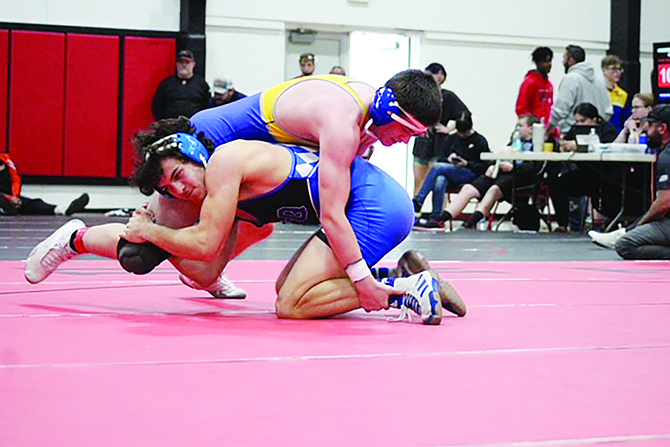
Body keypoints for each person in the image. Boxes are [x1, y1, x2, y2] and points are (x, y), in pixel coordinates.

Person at [25, 70, 444, 312]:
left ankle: (213, 270)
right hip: (205, 152)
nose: (405, 142)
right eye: (405, 131)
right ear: (389, 110)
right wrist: (357, 274)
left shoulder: (362, 121)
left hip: (253, 184)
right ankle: (75, 239)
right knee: (145, 254)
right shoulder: (341, 123)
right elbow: (333, 212)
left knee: (205, 264)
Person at [27, 132, 467, 323]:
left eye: (179, 174)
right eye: (168, 188)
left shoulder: (226, 163)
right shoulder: (232, 201)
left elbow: (202, 245)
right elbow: (202, 269)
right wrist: (159, 238)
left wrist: (149, 232)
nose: (179, 189)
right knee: (287, 288)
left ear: (196, 155)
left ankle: (410, 291)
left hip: (373, 204)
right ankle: (396, 276)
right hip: (361, 207)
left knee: (292, 306)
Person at [441, 114, 551, 229]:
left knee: (494, 189)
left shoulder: (539, 145)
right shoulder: (515, 141)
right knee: (469, 188)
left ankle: (472, 220)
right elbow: (504, 155)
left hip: (521, 177)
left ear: (531, 129)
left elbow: (536, 168)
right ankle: (443, 216)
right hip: (502, 172)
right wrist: (494, 165)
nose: (518, 129)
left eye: (521, 126)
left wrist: (513, 168)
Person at [588, 104, 670, 256]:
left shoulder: (667, 157)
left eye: (650, 125)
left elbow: (664, 203)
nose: (646, 130)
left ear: (662, 128)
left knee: (625, 245)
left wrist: (640, 225)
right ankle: (626, 231)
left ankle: (625, 233)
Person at [548, 102, 622, 232]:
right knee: (555, 181)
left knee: (610, 186)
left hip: (605, 175)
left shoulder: (607, 130)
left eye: (583, 121)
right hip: (584, 174)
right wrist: (564, 145)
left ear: (594, 119)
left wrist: (579, 146)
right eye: (577, 121)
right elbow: (565, 142)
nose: (580, 124)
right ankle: (562, 224)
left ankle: (611, 221)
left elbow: (608, 148)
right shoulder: (575, 129)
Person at [413, 112, 491, 229]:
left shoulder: (479, 141)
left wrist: (467, 164)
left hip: (471, 174)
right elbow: (441, 157)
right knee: (440, 179)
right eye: (459, 133)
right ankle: (436, 218)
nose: (461, 135)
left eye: (464, 133)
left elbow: (484, 166)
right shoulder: (452, 138)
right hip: (451, 171)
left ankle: (418, 200)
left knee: (437, 167)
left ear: (470, 128)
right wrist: (449, 159)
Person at [411, 62, 471, 196]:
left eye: (441, 73)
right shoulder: (419, 95)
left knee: (437, 182)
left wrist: (449, 129)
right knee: (418, 181)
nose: (438, 76)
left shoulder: (448, 96)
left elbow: (464, 114)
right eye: (434, 72)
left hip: (439, 143)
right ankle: (416, 212)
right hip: (422, 140)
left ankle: (438, 213)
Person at [550, 45, 612, 137]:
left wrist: (548, 130)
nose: (563, 62)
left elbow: (560, 110)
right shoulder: (600, 79)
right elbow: (608, 111)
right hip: (597, 135)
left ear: (571, 60)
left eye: (564, 58)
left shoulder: (570, 79)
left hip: (572, 134)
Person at [0, 153, 89, 216]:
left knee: (33, 203)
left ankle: (62, 209)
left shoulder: (6, 159)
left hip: (11, 197)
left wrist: (15, 196)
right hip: (3, 197)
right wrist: (9, 198)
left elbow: (15, 179)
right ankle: (6, 209)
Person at [152, 50, 211, 120]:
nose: (183, 65)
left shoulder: (201, 85)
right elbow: (157, 106)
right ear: (176, 64)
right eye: (181, 62)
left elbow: (207, 106)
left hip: (194, 126)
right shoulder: (166, 84)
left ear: (193, 64)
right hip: (171, 126)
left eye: (187, 62)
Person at [516, 47, 554, 124]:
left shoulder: (549, 84)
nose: (549, 64)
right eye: (545, 61)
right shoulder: (529, 82)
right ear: (537, 63)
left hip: (546, 127)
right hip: (534, 127)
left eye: (550, 61)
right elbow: (521, 108)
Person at [601, 55, 628, 133]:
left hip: (617, 133)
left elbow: (624, 118)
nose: (617, 72)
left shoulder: (623, 94)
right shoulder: (599, 91)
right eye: (613, 69)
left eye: (619, 69)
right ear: (604, 70)